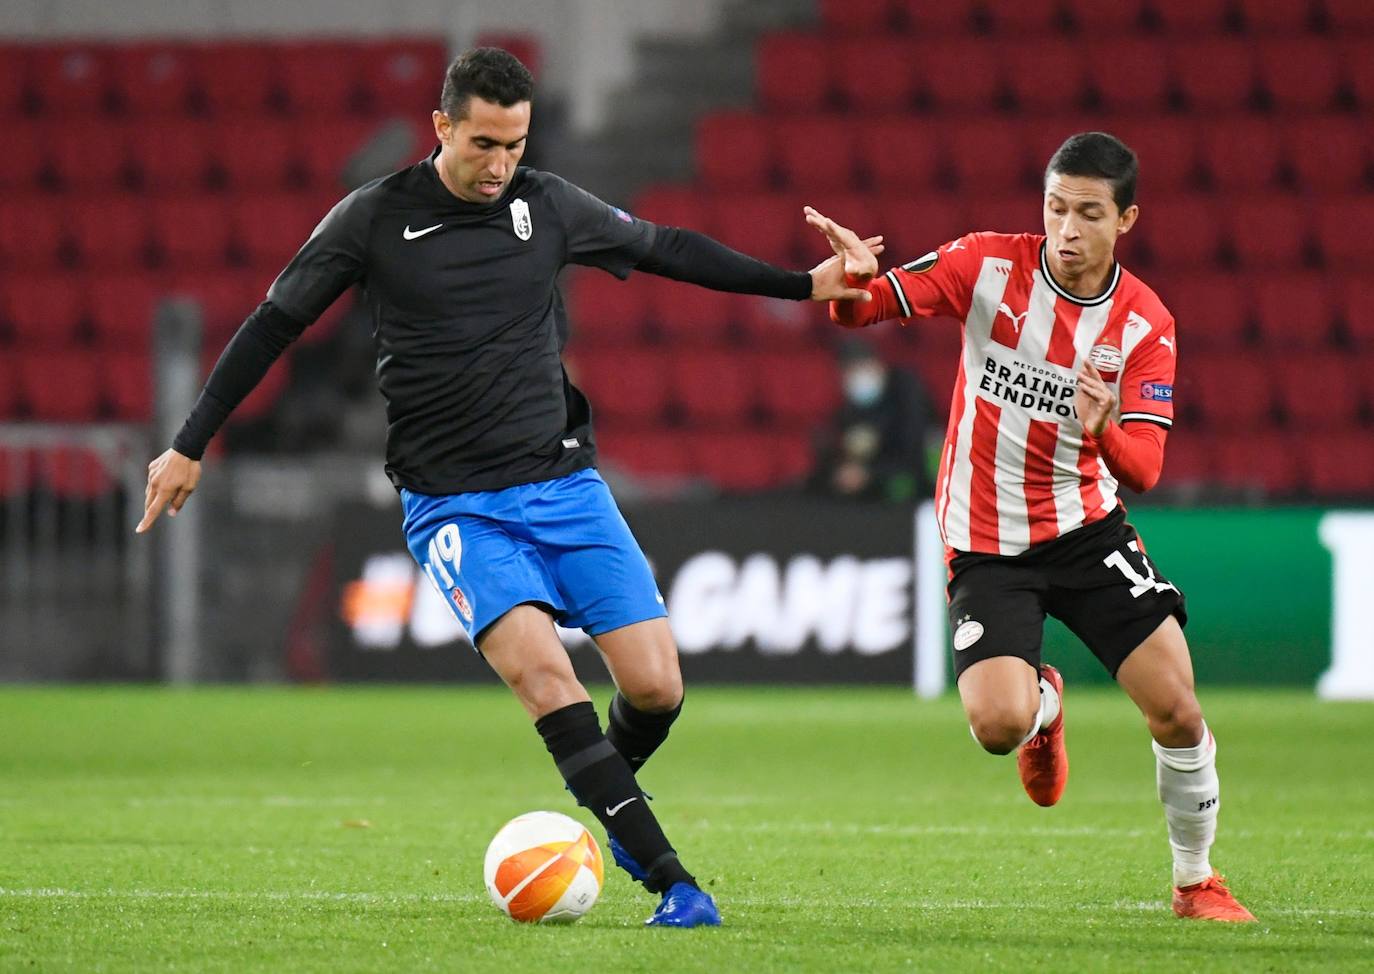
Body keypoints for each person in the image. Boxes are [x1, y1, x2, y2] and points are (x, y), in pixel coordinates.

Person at [135, 47, 879, 928]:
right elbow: (274, 323)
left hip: (564, 486)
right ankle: (674, 882)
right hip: (454, 506)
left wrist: (801, 285)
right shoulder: (371, 219)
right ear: (443, 126)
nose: (498, 167)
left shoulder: (549, 205)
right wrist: (189, 443)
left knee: (657, 688)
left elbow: (665, 248)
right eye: (483, 143)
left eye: (514, 146)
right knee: (546, 679)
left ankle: (596, 794)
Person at [808, 132, 1255, 923]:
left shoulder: (1145, 323)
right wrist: (853, 281)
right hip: (984, 539)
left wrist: (1102, 426)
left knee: (1177, 709)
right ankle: (1044, 710)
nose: (1068, 228)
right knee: (996, 726)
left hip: (1085, 528)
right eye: (1056, 207)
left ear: (1127, 220)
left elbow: (1144, 467)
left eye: (1089, 212)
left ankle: (1196, 882)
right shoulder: (987, 264)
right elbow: (863, 312)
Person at [810, 337, 935, 502]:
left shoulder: (907, 393)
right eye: (850, 370)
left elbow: (914, 452)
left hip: (923, 489)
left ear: (878, 366)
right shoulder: (850, 408)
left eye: (862, 366)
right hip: (875, 495)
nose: (858, 376)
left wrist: (870, 474)